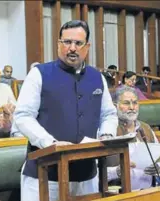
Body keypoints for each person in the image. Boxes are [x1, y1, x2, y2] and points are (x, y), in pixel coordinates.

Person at [14, 20, 118, 201]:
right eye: (67, 42)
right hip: (44, 175)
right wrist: (50, 143)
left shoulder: (97, 77)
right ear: (58, 44)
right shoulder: (39, 74)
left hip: (87, 176)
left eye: (78, 43)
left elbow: (108, 114)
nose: (72, 48)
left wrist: (107, 134)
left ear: (87, 47)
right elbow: (23, 116)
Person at [106, 86, 160, 190]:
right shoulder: (108, 131)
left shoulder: (146, 128)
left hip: (149, 191)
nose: (132, 107)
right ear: (115, 106)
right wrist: (117, 172)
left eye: (135, 103)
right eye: (126, 103)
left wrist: (159, 167)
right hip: (120, 194)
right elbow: (95, 174)